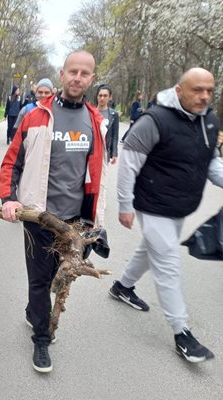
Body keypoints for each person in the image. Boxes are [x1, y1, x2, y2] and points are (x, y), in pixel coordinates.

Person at [0, 51, 107, 373]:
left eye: (84, 73)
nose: (77, 77)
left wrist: (96, 221)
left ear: (91, 78)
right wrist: (8, 197)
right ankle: (42, 338)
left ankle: (36, 313)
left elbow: (98, 173)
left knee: (60, 277)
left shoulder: (95, 121)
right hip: (38, 217)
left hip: (74, 221)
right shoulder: (36, 116)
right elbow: (11, 162)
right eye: (72, 71)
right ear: (62, 74)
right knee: (39, 278)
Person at [110, 67, 223, 363]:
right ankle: (182, 332)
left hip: (180, 205)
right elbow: (129, 164)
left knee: (151, 249)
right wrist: (125, 204)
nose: (204, 96)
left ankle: (122, 286)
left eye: (209, 90)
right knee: (168, 261)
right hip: (153, 204)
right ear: (179, 90)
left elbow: (210, 164)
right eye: (197, 89)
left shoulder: (209, 121)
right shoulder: (154, 120)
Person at [96, 85, 119, 164]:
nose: (102, 98)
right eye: (100, 95)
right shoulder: (91, 113)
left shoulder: (113, 114)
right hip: (92, 152)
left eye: (105, 96)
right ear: (97, 97)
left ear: (110, 97)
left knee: (103, 176)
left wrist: (114, 153)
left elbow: (115, 135)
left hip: (105, 152)